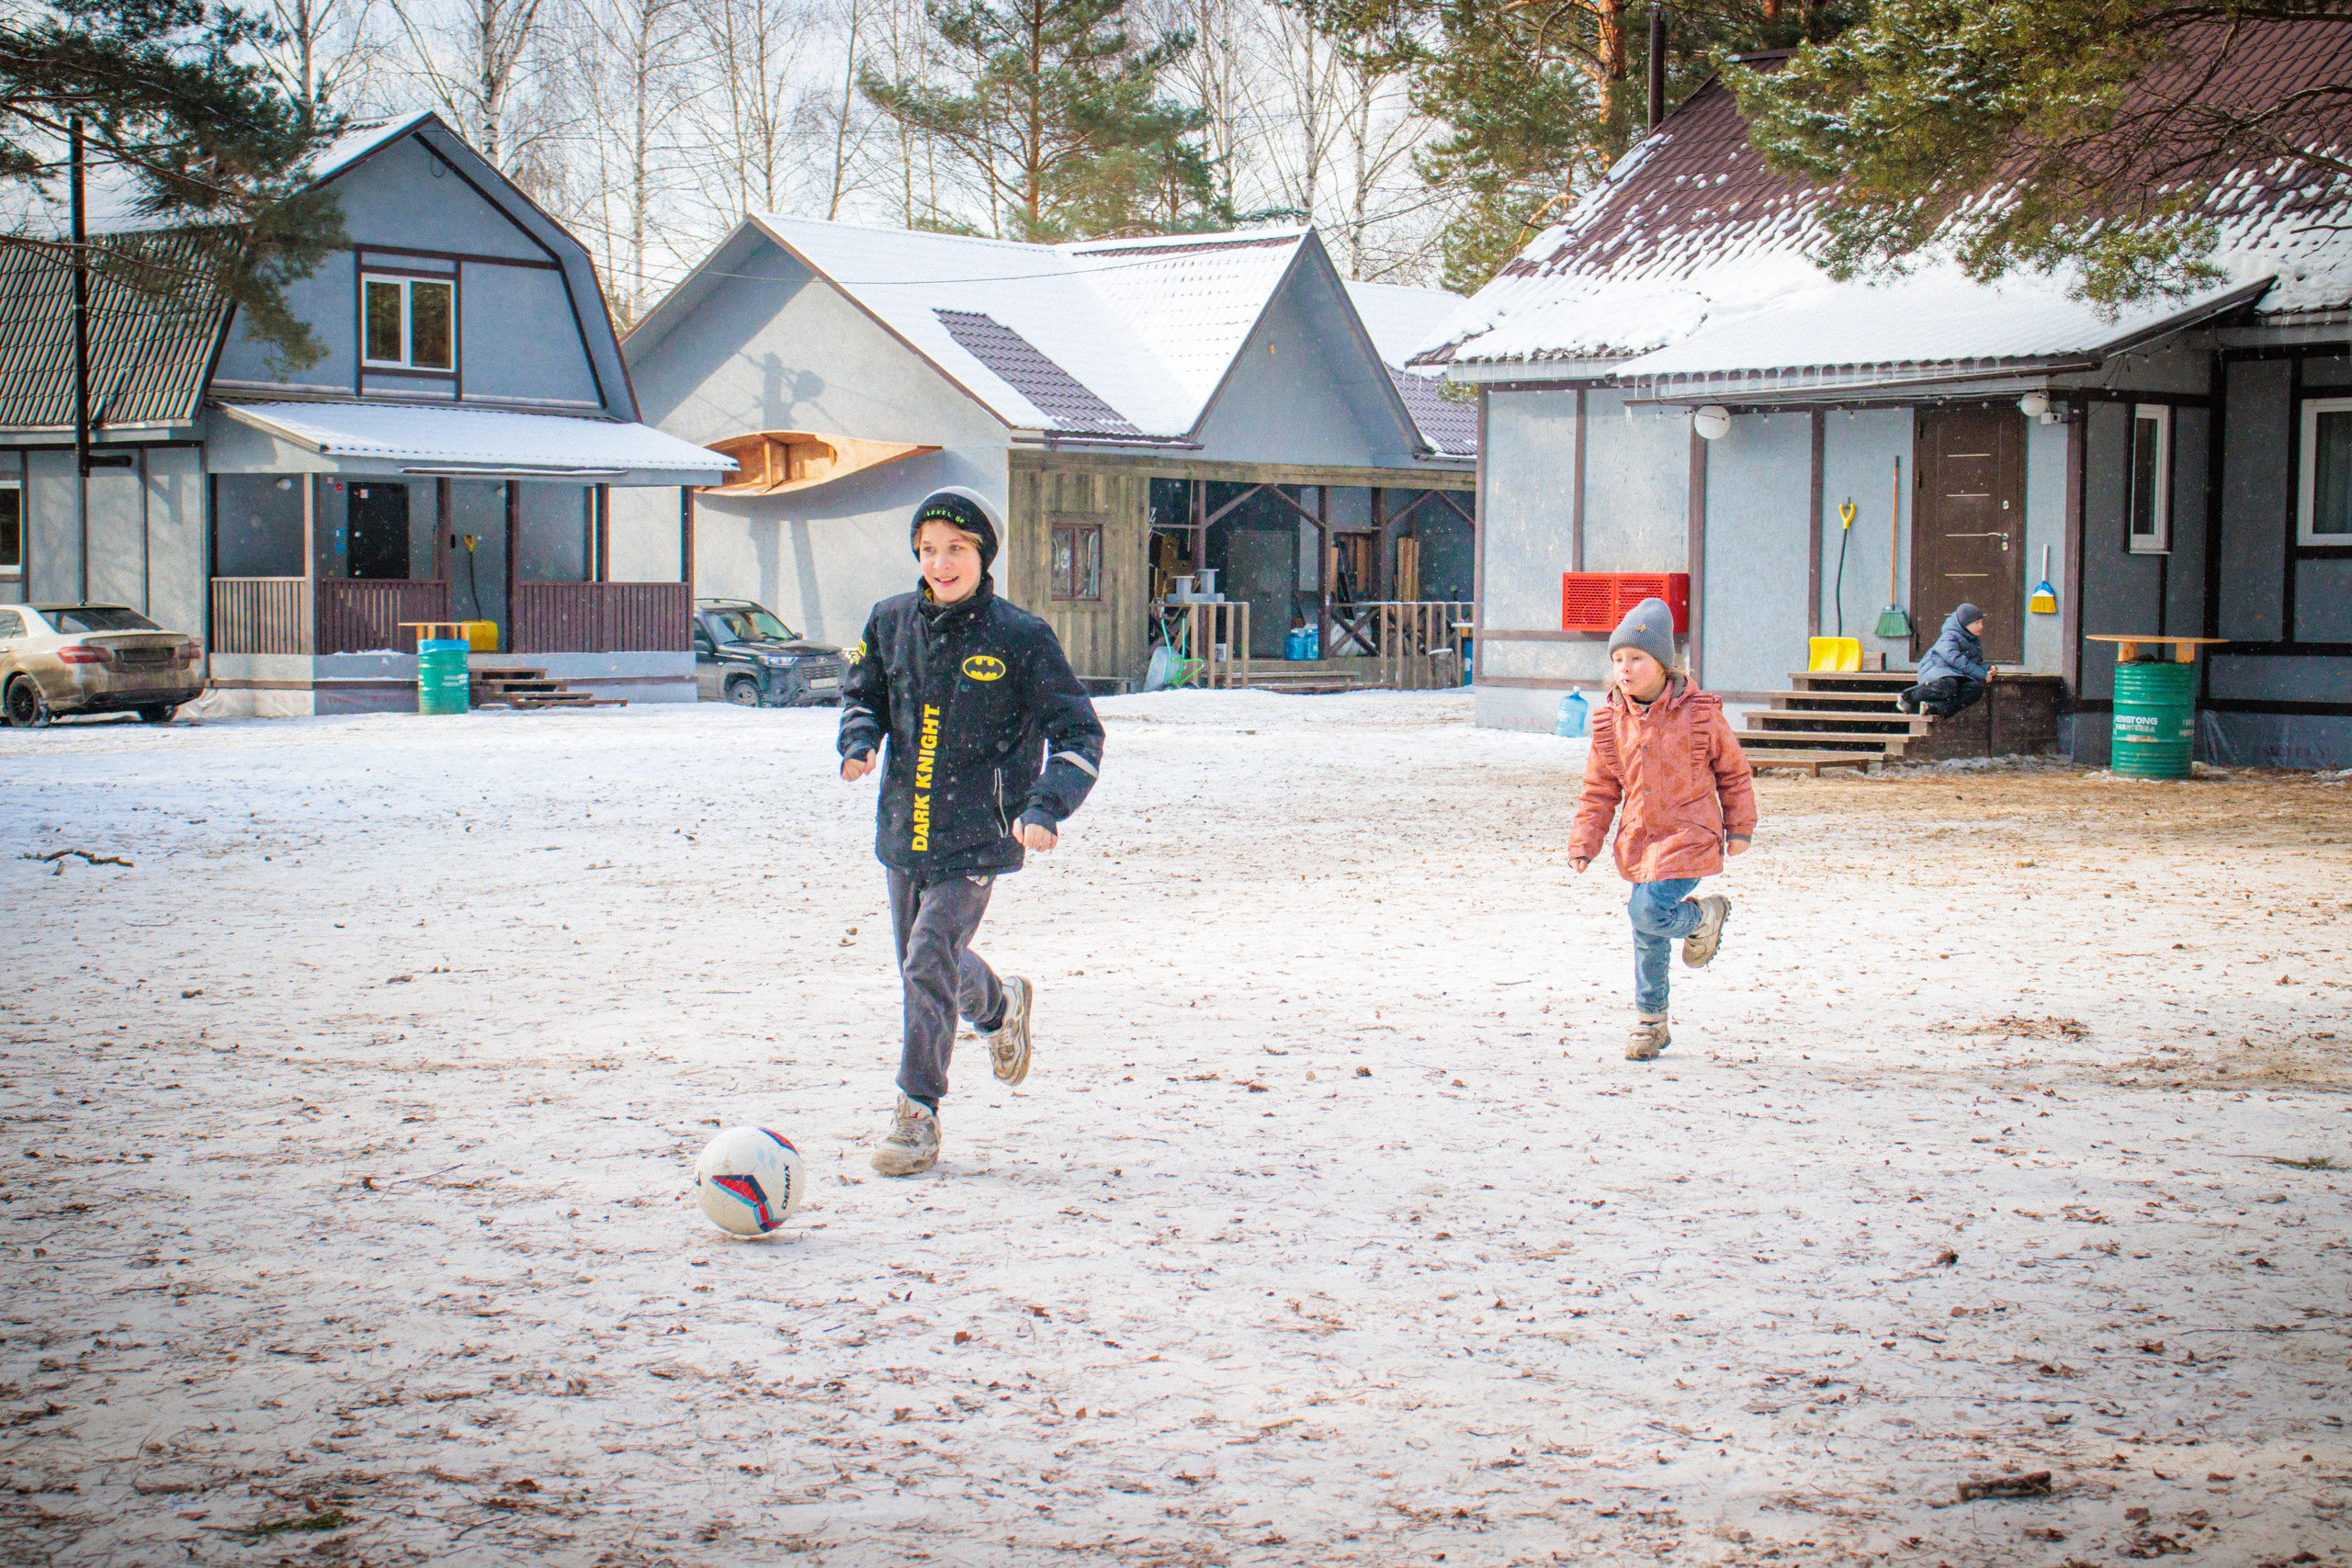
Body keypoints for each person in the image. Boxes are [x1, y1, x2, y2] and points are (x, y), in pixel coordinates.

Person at [838, 490, 1105, 1176]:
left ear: (983, 553)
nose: (941, 561)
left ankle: (916, 1112)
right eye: (928, 548)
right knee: (928, 964)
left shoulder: (1020, 637)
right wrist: (861, 738)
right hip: (904, 829)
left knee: (928, 953)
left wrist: (1045, 805)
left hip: (979, 832)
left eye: (956, 548)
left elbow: (1079, 732)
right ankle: (999, 1006)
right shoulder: (890, 621)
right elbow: (862, 690)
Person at [1567, 598, 1758, 1062]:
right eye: (1617, 660)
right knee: (1646, 930)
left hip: (1689, 836)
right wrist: (1585, 841)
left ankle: (1704, 916)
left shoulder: (1701, 714)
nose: (1624, 669)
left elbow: (1734, 773)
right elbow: (1599, 789)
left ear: (1662, 665)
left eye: (1635, 658)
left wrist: (1741, 827)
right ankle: (1651, 1023)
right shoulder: (1610, 721)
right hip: (1639, 839)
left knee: (1648, 911)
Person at [1900, 604, 1991, 716]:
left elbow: (1969, 664)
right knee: (1949, 686)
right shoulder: (1950, 635)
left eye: (1981, 622)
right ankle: (1908, 696)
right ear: (1965, 624)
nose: (1981, 626)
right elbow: (1953, 657)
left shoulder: (1972, 640)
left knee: (1975, 689)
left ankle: (1936, 708)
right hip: (1935, 669)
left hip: (1954, 674)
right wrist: (1981, 673)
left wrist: (1987, 669)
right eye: (1977, 623)